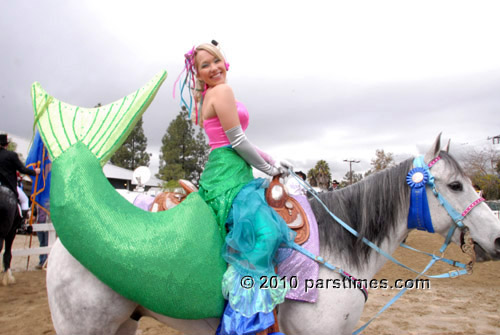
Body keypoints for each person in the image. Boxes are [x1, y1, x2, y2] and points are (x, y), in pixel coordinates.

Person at [177, 41, 294, 335]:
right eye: (205, 65)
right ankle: (244, 323)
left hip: (226, 166)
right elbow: (237, 142)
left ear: (224, 61)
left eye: (216, 60)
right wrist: (269, 170)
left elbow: (236, 140)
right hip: (229, 172)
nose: (214, 68)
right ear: (199, 74)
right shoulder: (222, 92)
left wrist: (273, 160)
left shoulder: (210, 96)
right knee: (263, 232)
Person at [0, 134, 40, 203]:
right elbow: (22, 169)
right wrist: (34, 172)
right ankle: (23, 213)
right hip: (9, 186)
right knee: (25, 201)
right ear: (6, 145)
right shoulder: (11, 155)